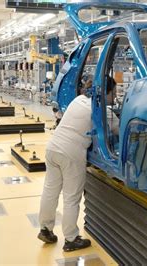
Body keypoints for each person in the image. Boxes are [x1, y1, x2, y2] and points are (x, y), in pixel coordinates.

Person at [37, 89, 93, 252]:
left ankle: (45, 229)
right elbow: (116, 128)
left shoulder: (78, 100)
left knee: (50, 191)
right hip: (71, 153)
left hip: (53, 147)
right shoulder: (99, 108)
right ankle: (71, 239)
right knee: (71, 197)